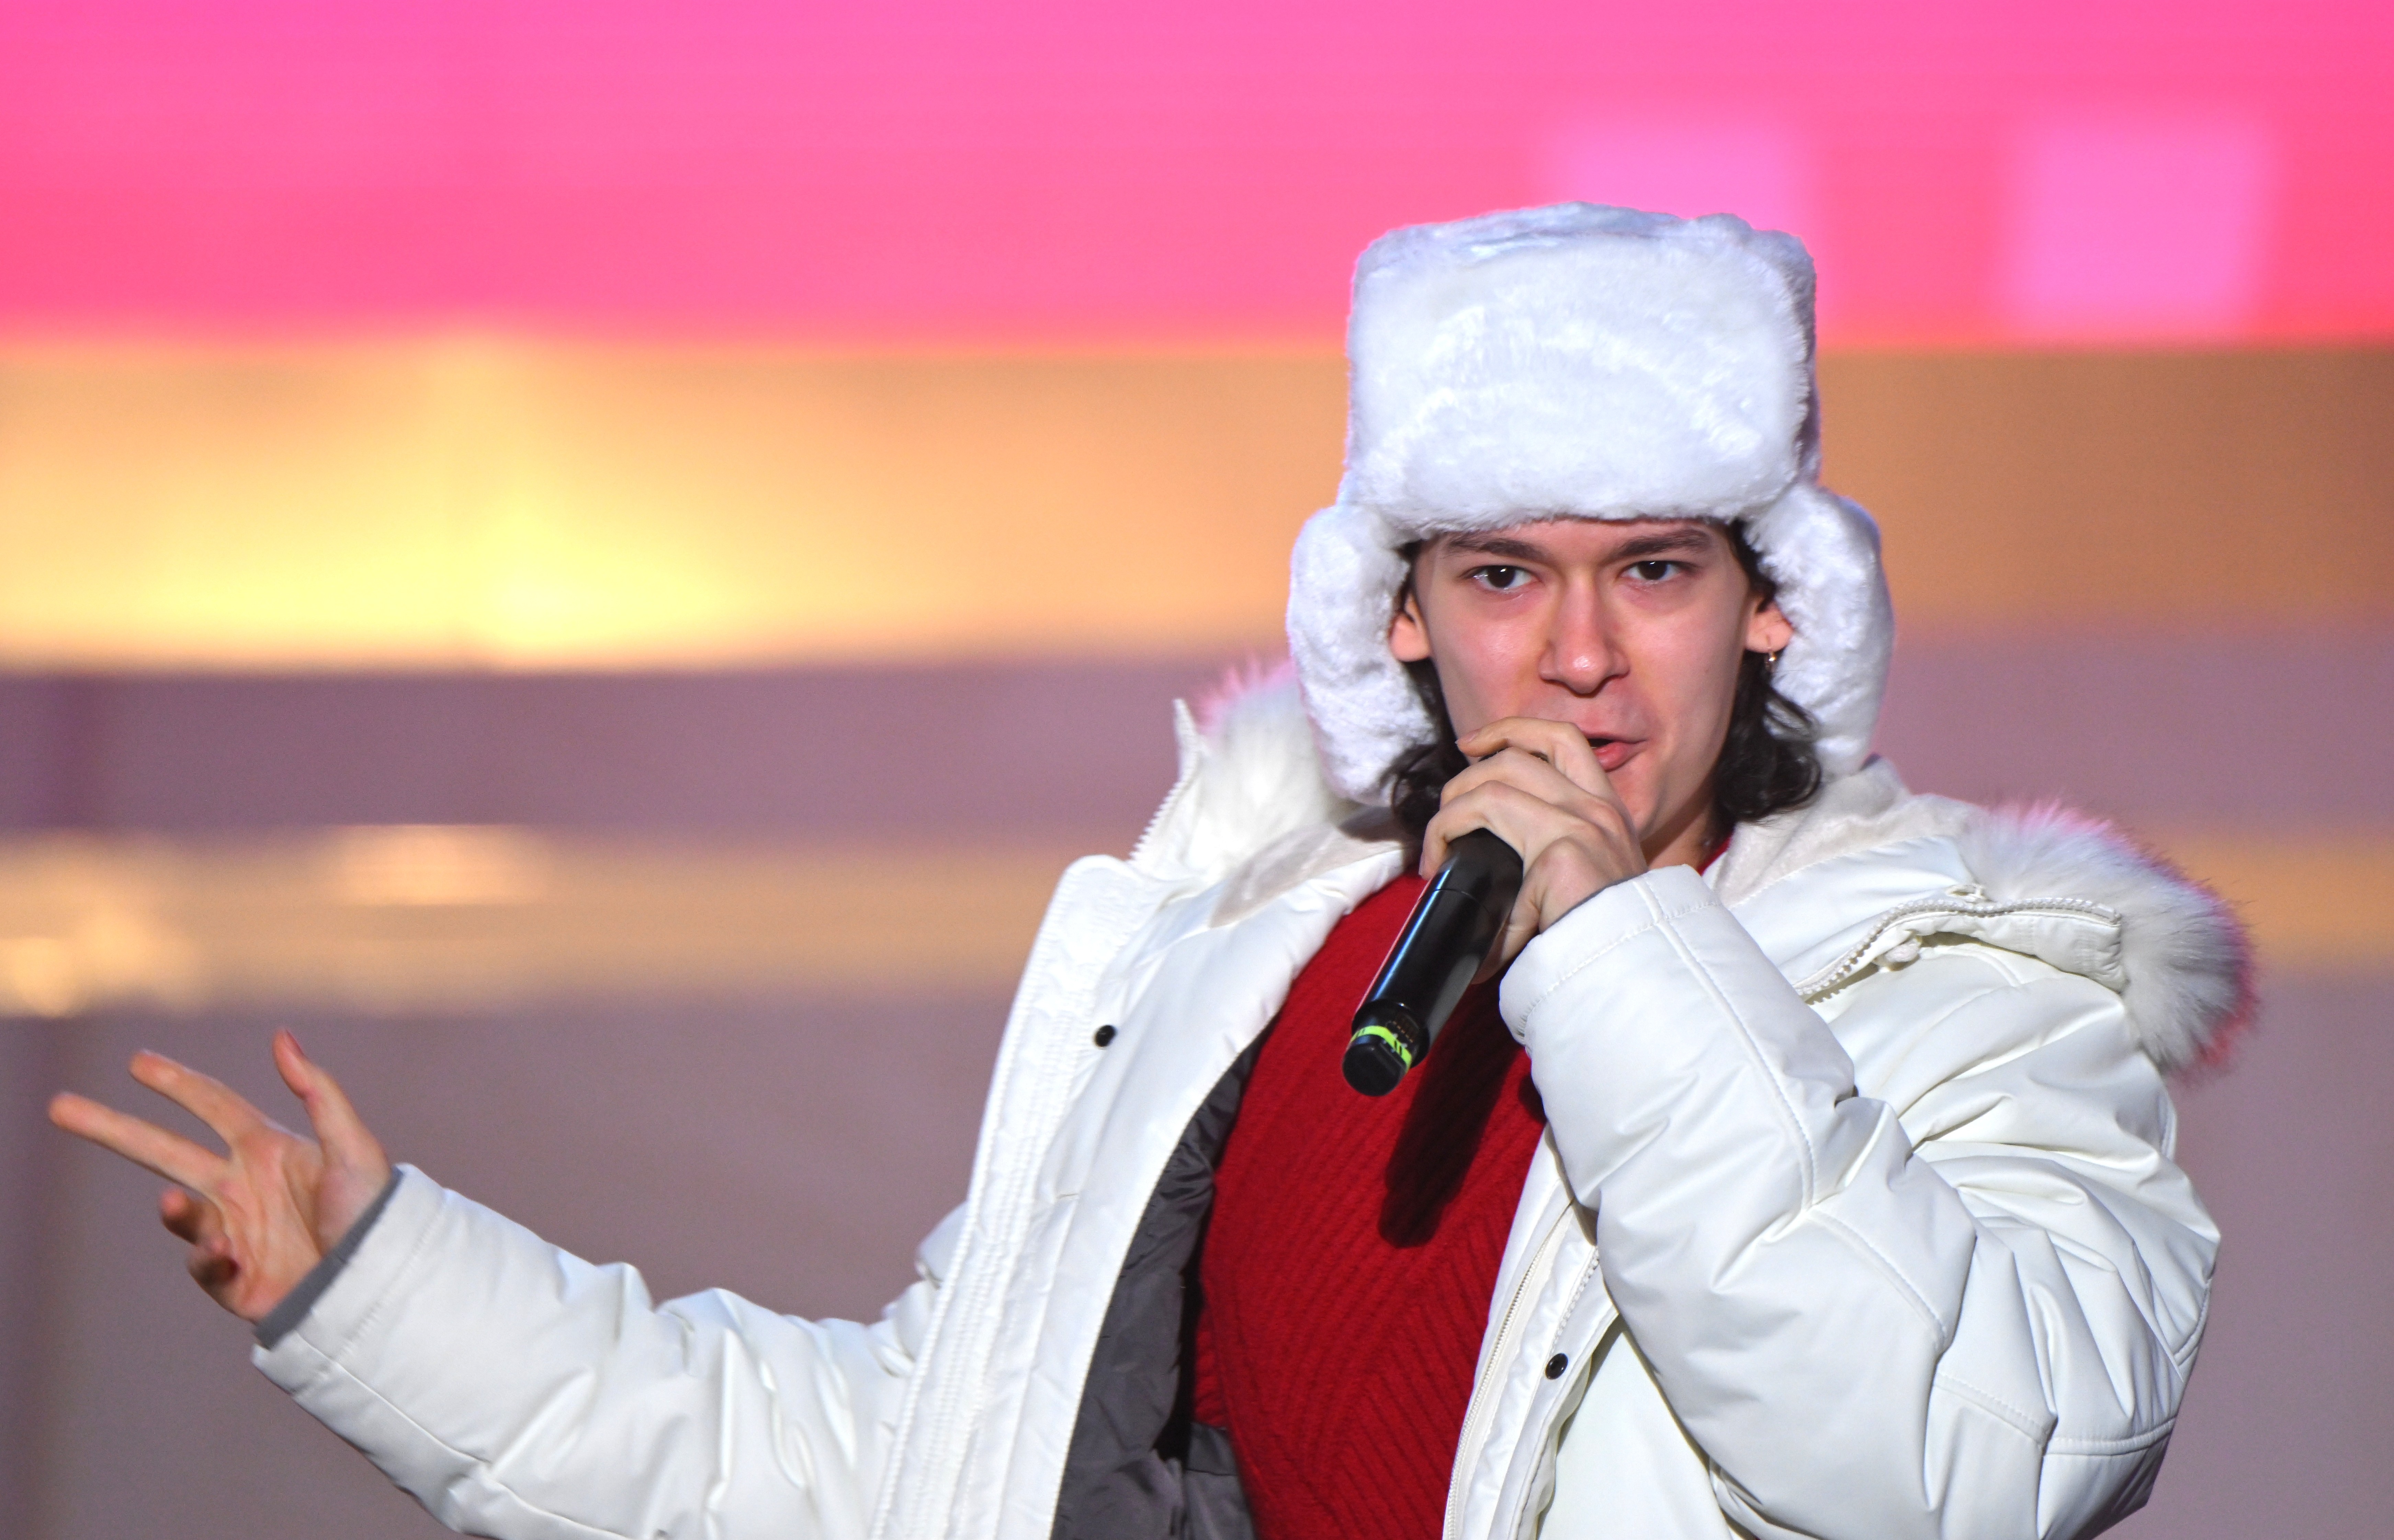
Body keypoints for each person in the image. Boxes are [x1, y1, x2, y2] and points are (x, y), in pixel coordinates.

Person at [51, 204, 2242, 1540]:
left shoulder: (1970, 981)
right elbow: (915, 1467)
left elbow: (1966, 1461)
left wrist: (1618, 944)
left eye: (1654, 569)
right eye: (1504, 574)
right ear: (1405, 617)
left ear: (1771, 604)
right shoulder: (1256, 956)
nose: (1579, 653)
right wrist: (379, 1290)